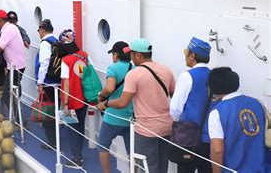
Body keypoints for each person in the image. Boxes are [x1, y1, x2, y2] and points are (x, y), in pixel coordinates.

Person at [106, 38, 175, 173]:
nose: (130, 57)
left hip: (146, 130)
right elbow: (174, 96)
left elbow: (122, 102)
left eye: (131, 54)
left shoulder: (134, 74)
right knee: (162, 167)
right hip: (167, 127)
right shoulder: (167, 70)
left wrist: (106, 103)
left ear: (138, 55)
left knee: (146, 168)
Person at [208, 67, 267, 172]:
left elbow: (217, 150)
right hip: (261, 168)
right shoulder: (257, 103)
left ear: (213, 87)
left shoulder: (217, 112)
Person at [170, 37, 213, 173]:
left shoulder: (187, 76)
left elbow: (175, 109)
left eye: (186, 52)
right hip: (211, 138)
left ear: (192, 55)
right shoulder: (214, 75)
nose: (185, 57)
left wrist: (179, 123)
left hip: (189, 138)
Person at [96, 41, 133, 173]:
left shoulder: (113, 68)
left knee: (103, 145)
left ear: (116, 55)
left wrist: (100, 96)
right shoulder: (134, 68)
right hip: (130, 116)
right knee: (131, 151)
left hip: (112, 116)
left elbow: (110, 88)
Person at [58, 29, 88, 169]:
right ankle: (79, 154)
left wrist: (65, 104)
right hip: (84, 99)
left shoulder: (66, 60)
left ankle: (77, 158)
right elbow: (81, 75)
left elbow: (67, 83)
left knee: (72, 129)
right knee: (80, 127)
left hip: (71, 101)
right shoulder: (83, 56)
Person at [35, 19, 58, 150]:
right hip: (59, 83)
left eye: (39, 31)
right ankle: (56, 138)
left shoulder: (45, 43)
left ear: (42, 30)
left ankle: (52, 142)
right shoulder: (57, 41)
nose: (39, 33)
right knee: (55, 111)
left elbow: (44, 63)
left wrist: (40, 83)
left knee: (47, 113)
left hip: (48, 83)